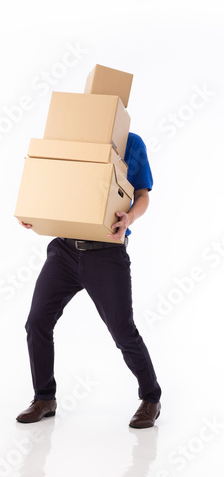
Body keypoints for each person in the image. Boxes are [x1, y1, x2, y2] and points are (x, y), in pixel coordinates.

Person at [16, 132, 162, 428]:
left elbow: (143, 194)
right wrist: (36, 211)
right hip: (64, 251)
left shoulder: (131, 142)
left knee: (123, 331)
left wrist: (129, 218)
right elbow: (53, 181)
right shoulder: (74, 134)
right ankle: (44, 397)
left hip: (106, 252)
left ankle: (151, 399)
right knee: (37, 322)